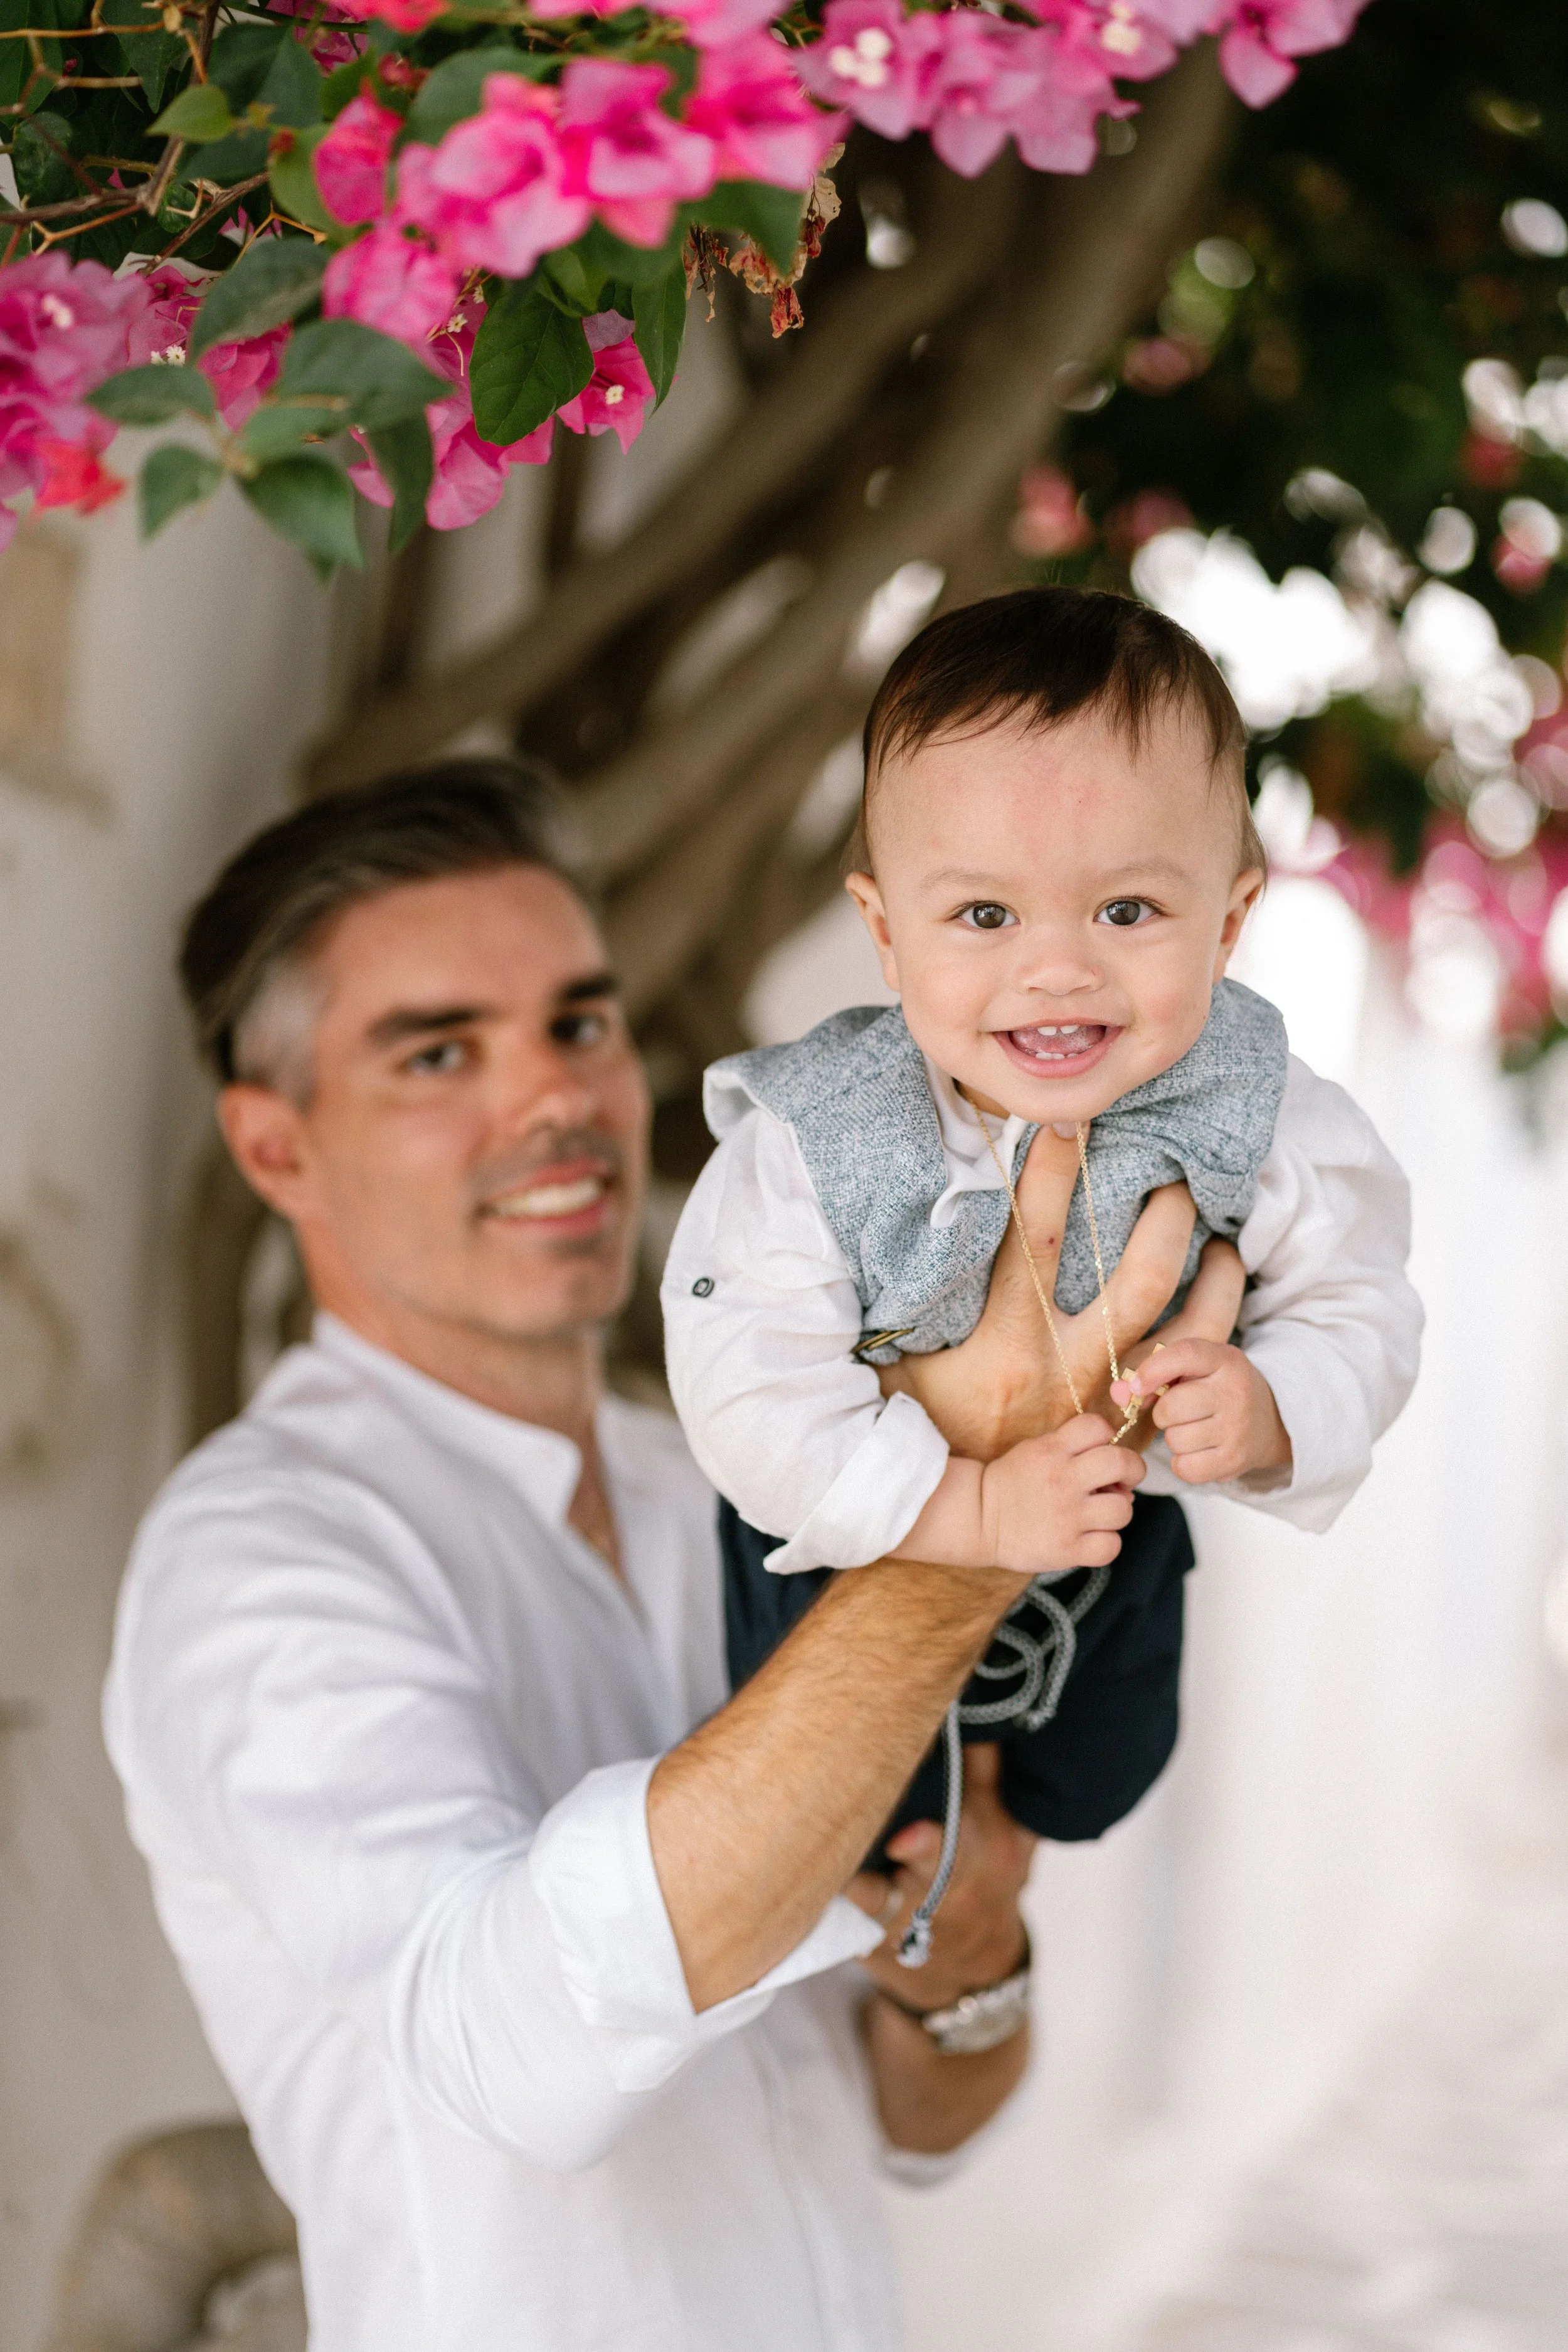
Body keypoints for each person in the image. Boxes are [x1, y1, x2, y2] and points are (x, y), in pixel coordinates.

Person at [103, 760, 1235, 2352]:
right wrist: (972, 1530)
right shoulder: (258, 1552)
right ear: (276, 1146)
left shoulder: (727, 1476)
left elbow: (920, 2120)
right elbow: (517, 2054)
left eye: (577, 1023)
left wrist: (963, 1959)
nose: (554, 1100)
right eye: (439, 1052)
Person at [662, 589, 1422, 1954]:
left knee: (1094, 1775)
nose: (1055, 970)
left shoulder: (1267, 1111)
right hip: (845, 1551)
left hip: (1111, 1540)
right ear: (884, 929)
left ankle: (1002, 1885)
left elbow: (1359, 1298)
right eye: (982, 917)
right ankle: (901, 1932)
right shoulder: (816, 1134)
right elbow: (741, 1373)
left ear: (1232, 914)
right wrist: (959, 1511)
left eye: (1126, 908)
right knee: (852, 1822)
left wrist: (1270, 1403)